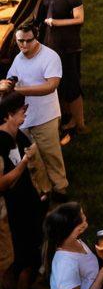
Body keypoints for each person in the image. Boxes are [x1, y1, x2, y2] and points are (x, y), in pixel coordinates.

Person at [0, 22, 67, 198]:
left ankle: (60, 189)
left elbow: (51, 86)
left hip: (46, 116)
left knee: (51, 155)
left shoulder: (49, 57)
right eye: (20, 41)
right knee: (32, 158)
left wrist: (20, 90)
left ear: (35, 37)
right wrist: (8, 83)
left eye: (28, 41)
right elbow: (13, 77)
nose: (23, 45)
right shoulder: (19, 57)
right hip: (24, 119)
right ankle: (44, 190)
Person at [0, 91, 45, 289]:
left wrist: (42, 192)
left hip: (29, 203)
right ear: (8, 115)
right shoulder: (0, 143)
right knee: (20, 257)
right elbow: (3, 184)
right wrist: (24, 162)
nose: (25, 114)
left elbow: (32, 167)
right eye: (21, 111)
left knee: (34, 251)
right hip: (12, 210)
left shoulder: (20, 136)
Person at [40, 0, 88, 136]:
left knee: (72, 84)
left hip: (69, 46)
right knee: (60, 84)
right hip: (53, 46)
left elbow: (79, 19)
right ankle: (69, 117)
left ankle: (80, 123)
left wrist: (57, 23)